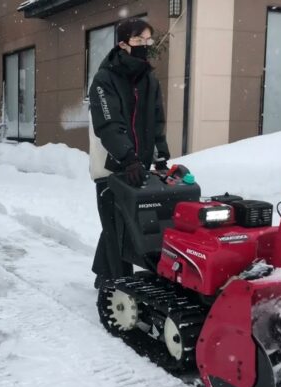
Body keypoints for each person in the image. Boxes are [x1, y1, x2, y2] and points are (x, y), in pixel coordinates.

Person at [88, 18, 170, 288]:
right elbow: (109, 124)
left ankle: (104, 270)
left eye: (148, 40)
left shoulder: (149, 79)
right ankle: (114, 286)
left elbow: (156, 121)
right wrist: (128, 157)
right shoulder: (104, 79)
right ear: (123, 44)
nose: (145, 45)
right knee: (114, 225)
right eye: (139, 41)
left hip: (138, 165)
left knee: (126, 222)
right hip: (110, 165)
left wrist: (160, 156)